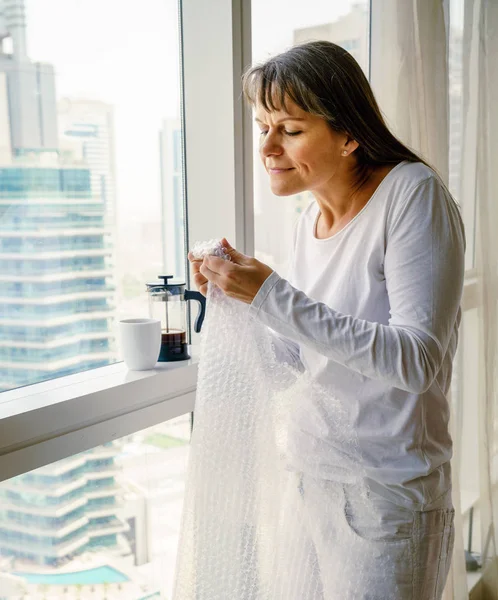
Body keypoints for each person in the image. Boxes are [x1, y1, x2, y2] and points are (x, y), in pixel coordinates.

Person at [188, 40, 465, 599]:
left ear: (348, 134)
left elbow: (417, 361)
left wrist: (269, 295)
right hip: (312, 483)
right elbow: (299, 361)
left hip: (388, 502)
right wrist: (236, 301)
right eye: (262, 125)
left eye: (289, 129)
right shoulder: (310, 220)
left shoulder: (412, 195)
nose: (266, 146)